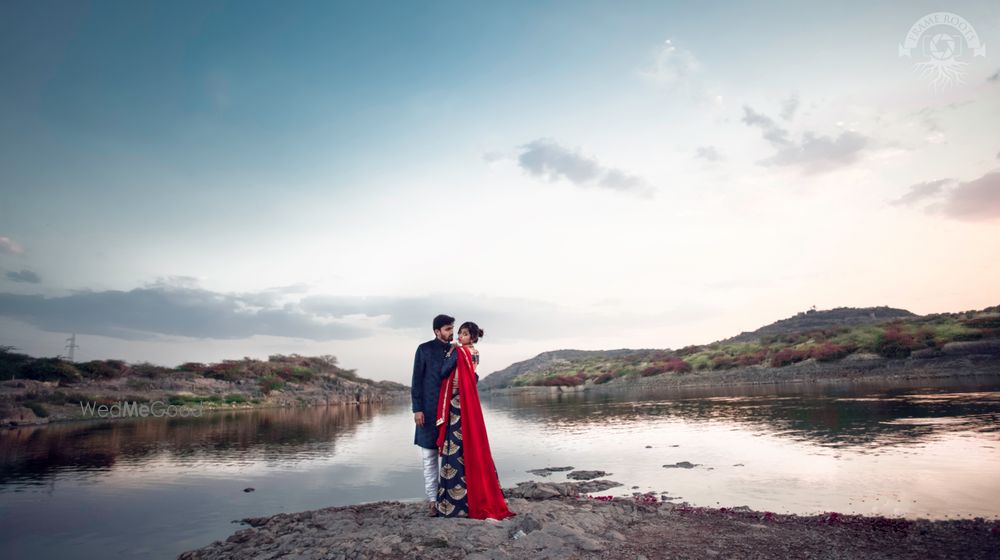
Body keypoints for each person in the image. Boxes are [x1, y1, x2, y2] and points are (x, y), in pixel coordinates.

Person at [434, 321, 515, 520]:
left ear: (471, 337)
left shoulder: (459, 352)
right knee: (471, 446)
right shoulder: (475, 353)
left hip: (456, 404)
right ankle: (475, 498)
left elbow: (443, 372)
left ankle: (453, 506)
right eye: (459, 333)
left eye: (463, 334)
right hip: (468, 403)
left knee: (454, 448)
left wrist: (451, 352)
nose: (459, 337)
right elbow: (473, 376)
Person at [412, 314, 455, 517]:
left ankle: (453, 499)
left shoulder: (457, 350)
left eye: (452, 328)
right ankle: (432, 501)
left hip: (452, 412)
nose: (451, 332)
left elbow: (470, 375)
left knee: (453, 457)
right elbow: (416, 380)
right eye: (447, 329)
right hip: (428, 411)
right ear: (437, 331)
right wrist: (417, 409)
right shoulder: (424, 349)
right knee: (429, 456)